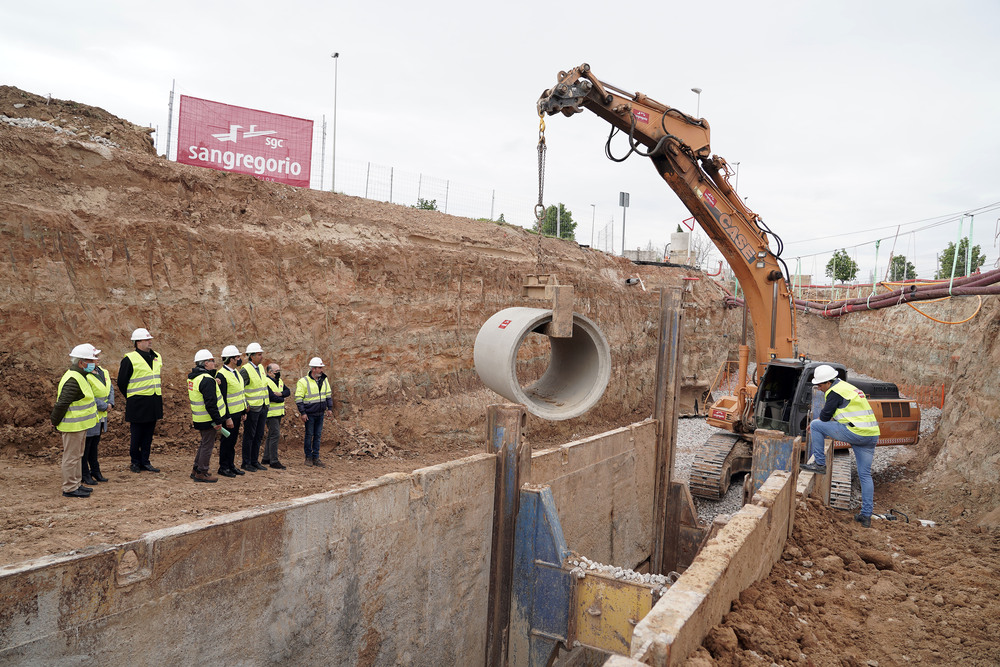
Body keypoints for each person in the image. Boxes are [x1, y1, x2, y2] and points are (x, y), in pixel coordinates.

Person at [800, 364, 881, 527]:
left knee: (816, 425)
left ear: (828, 382)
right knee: (865, 475)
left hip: (856, 432)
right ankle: (866, 516)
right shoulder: (847, 387)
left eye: (820, 385)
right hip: (871, 435)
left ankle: (819, 463)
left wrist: (819, 424)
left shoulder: (834, 392)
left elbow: (823, 418)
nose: (819, 388)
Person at [51, 344, 101, 498]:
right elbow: (62, 403)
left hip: (79, 425)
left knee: (77, 455)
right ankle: (70, 488)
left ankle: (76, 483)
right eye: (92, 359)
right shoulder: (73, 379)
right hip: (72, 426)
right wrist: (54, 421)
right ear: (81, 363)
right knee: (71, 457)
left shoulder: (80, 375)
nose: (96, 362)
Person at [118, 328, 163, 473]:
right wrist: (132, 396)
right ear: (138, 342)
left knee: (148, 436)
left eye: (150, 339)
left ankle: (145, 461)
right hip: (137, 403)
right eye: (146, 339)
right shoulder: (129, 359)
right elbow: (122, 382)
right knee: (136, 435)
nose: (150, 342)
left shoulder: (157, 357)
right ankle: (135, 462)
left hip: (153, 402)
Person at [187, 349, 233, 483]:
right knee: (207, 446)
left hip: (200, 418)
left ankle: (196, 470)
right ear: (206, 363)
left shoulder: (195, 377)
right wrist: (217, 420)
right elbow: (210, 403)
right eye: (212, 361)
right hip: (208, 419)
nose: (214, 363)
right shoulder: (207, 380)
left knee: (204, 444)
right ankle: (202, 472)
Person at [81, 348, 114, 485]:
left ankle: (95, 471)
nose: (98, 358)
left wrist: (111, 403)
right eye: (95, 357)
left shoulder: (103, 372)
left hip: (101, 417)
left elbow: (110, 388)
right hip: (90, 415)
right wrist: (104, 406)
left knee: (94, 445)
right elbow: (89, 396)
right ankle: (85, 474)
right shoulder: (84, 376)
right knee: (86, 447)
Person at [295, 357, 334, 467]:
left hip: (320, 413)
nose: (321, 370)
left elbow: (328, 395)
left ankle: (316, 457)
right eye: (319, 368)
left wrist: (329, 409)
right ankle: (308, 457)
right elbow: (298, 398)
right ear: (313, 369)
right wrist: (303, 412)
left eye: (321, 368)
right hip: (309, 414)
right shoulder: (303, 382)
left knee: (317, 436)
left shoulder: (324, 380)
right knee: (309, 435)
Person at [216, 345, 247, 478]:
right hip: (229, 415)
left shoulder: (236, 373)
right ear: (231, 359)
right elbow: (221, 398)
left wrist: (244, 411)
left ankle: (231, 465)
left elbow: (240, 393)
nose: (239, 359)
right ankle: (223, 467)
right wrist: (226, 417)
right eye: (237, 357)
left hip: (237, 413)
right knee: (227, 441)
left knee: (233, 441)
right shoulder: (222, 375)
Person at [239, 342, 268, 472]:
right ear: (251, 356)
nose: (261, 357)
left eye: (261, 354)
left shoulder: (261, 368)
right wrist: (245, 406)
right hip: (252, 409)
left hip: (262, 406)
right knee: (249, 436)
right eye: (259, 354)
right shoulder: (245, 370)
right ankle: (246, 462)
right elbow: (240, 389)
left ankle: (255, 461)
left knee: (259, 435)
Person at [262, 362, 290, 469]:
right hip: (271, 413)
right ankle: (273, 461)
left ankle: (266, 458)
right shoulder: (266, 381)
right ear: (270, 372)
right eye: (276, 371)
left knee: (271, 435)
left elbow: (288, 391)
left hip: (278, 413)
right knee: (275, 435)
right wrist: (282, 398)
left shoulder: (279, 381)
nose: (279, 373)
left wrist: (281, 394)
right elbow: (271, 397)